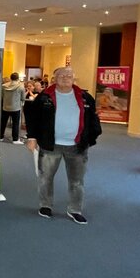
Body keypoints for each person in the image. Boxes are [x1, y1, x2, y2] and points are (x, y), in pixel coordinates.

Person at [26, 67, 102, 224]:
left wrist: (90, 138)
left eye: (69, 75)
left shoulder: (85, 97)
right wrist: (32, 137)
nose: (65, 78)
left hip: (77, 146)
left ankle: (75, 209)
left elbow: (93, 119)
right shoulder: (44, 97)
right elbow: (33, 118)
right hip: (50, 145)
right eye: (61, 75)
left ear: (74, 78)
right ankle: (45, 205)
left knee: (77, 181)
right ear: (54, 78)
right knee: (45, 178)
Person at [0, 72, 26, 144]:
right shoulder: (21, 87)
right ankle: (15, 139)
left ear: (10, 78)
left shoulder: (3, 86)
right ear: (17, 78)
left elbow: (1, 96)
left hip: (5, 107)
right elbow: (23, 98)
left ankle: (0, 137)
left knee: (3, 123)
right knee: (15, 124)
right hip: (16, 108)